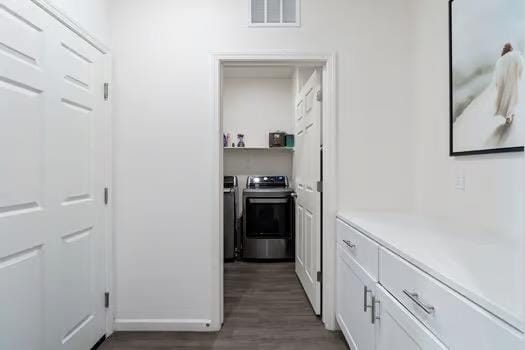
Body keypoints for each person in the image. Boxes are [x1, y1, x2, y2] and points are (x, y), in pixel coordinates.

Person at [494, 43, 524, 124]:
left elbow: (497, 74)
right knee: (512, 97)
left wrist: (497, 84)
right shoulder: (514, 55)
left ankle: (509, 114)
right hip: (512, 81)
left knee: (506, 98)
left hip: (503, 82)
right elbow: (521, 64)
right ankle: (509, 115)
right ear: (510, 48)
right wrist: (519, 73)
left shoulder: (500, 60)